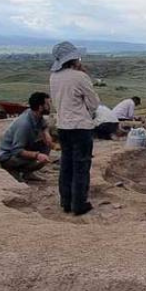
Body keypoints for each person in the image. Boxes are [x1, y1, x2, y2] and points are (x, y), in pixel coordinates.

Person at [48, 41, 100, 216]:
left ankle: (66, 201)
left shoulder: (53, 77)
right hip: (80, 127)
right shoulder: (80, 77)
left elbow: (56, 102)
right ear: (72, 59)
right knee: (81, 165)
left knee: (66, 164)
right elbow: (94, 103)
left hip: (63, 126)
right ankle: (79, 203)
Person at [0, 92, 52, 182]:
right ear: (40, 107)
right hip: (8, 156)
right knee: (40, 159)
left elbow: (44, 125)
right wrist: (37, 155)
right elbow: (17, 150)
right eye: (48, 104)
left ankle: (28, 174)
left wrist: (46, 133)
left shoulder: (35, 114)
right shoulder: (24, 124)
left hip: (20, 149)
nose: (50, 106)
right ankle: (14, 171)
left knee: (46, 145)